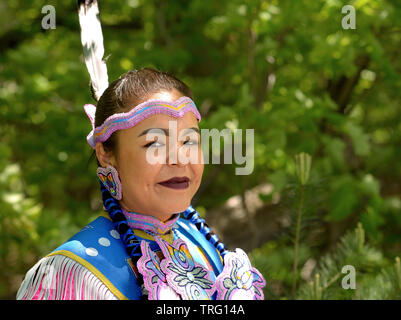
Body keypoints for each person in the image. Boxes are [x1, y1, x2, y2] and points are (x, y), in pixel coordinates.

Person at [16, 1, 265, 301]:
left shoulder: (202, 245)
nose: (179, 158)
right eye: (155, 144)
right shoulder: (74, 274)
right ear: (106, 154)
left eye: (189, 141)